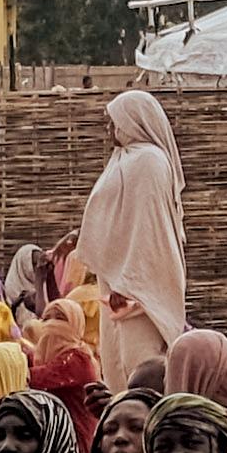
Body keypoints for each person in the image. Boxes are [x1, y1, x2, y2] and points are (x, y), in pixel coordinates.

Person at [79, 90, 187, 366]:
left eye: (114, 121)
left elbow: (148, 232)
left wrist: (129, 285)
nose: (108, 128)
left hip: (141, 285)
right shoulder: (125, 158)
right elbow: (114, 214)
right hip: (117, 278)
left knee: (140, 364)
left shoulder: (148, 162)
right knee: (115, 363)